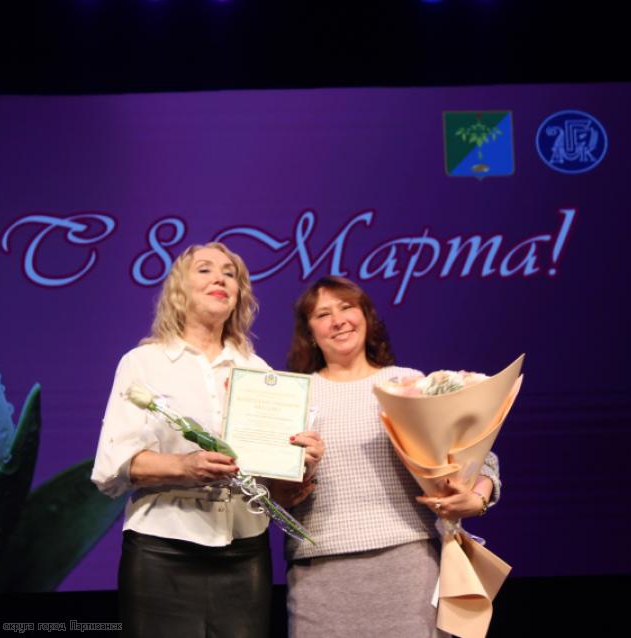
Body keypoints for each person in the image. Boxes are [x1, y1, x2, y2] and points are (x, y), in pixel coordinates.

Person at [91, 242, 323, 638]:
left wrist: (301, 461)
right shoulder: (143, 363)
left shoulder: (257, 371)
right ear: (179, 288)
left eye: (230, 274)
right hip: (162, 548)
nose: (220, 278)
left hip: (244, 550)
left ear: (239, 295)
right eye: (205, 269)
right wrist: (184, 467)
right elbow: (114, 465)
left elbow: (271, 485)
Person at [282, 276, 501, 638]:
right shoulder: (294, 393)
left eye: (347, 307)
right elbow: (271, 486)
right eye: (322, 314)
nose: (338, 321)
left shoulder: (405, 384)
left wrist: (477, 497)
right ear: (309, 332)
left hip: (408, 564)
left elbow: (480, 453)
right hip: (319, 572)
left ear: (366, 317)